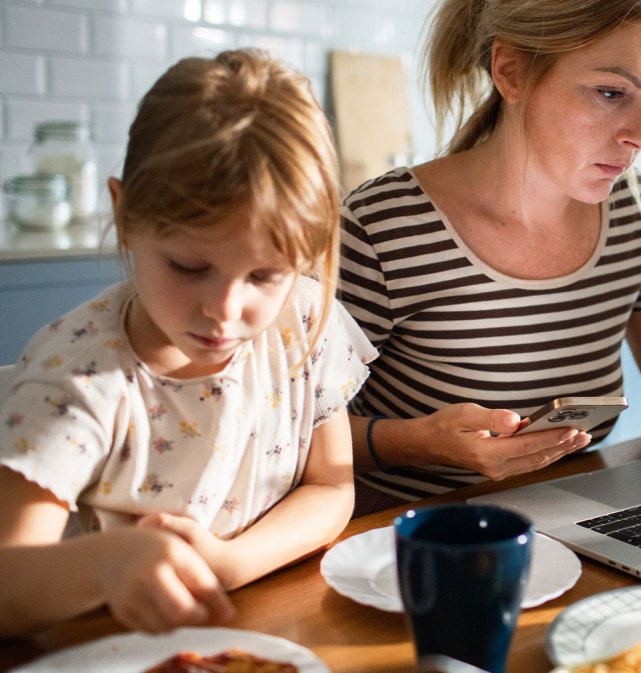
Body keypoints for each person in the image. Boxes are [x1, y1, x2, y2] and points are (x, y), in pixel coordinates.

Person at [0, 49, 376, 636]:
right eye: (189, 266)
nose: (224, 310)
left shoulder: (304, 319)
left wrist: (230, 563)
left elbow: (330, 486)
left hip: (260, 628)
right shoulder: (80, 378)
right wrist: (108, 565)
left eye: (264, 275)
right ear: (125, 216)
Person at [339, 0, 641, 512]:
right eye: (611, 93)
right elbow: (286, 432)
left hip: (577, 514)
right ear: (511, 71)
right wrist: (422, 442)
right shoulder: (382, 225)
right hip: (412, 531)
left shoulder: (629, 205)